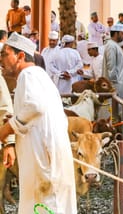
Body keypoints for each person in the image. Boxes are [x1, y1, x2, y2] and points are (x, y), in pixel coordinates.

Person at [0, 33, 77, 213]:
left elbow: (36, 106)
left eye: (4, 54)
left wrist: (6, 129)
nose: (1, 60)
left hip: (45, 166)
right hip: (45, 161)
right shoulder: (39, 77)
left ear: (20, 56)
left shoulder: (30, 74)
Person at [102, 24, 123, 98]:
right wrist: (115, 85)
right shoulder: (111, 46)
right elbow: (111, 67)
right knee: (116, 108)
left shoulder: (115, 45)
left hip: (118, 84)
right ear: (116, 33)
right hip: (115, 86)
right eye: (122, 33)